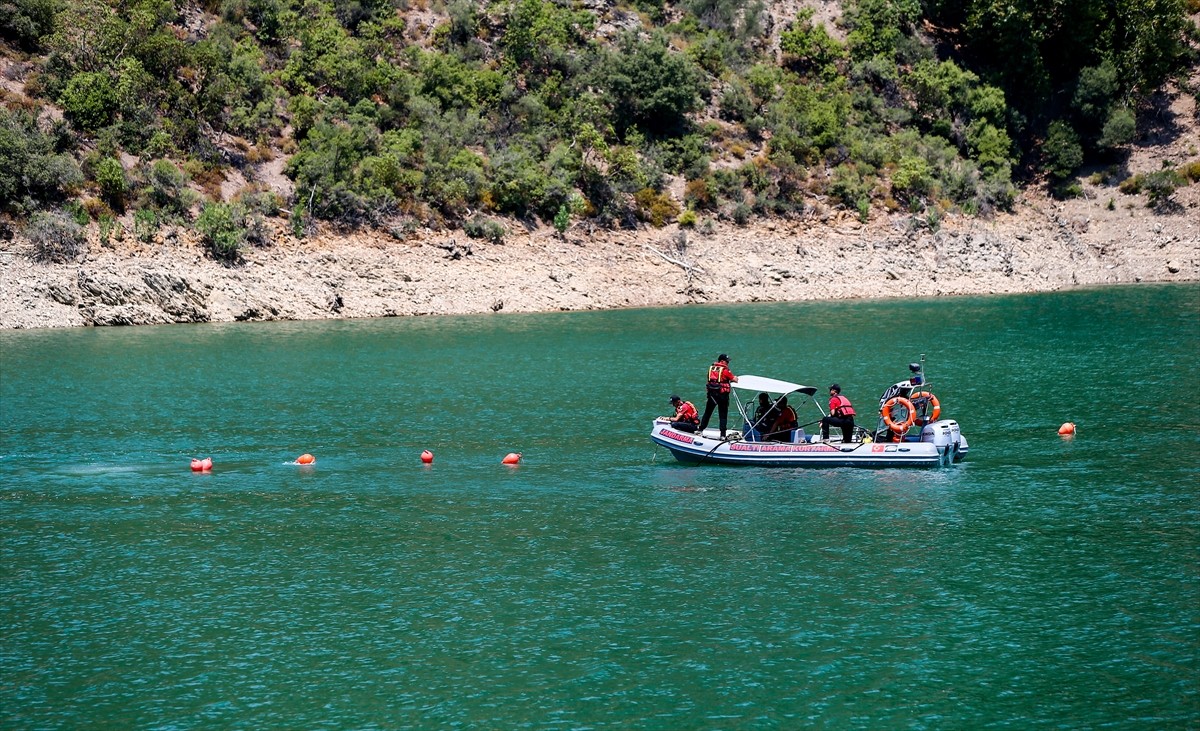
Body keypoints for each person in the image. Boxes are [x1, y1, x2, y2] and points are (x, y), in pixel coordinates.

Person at [698, 353, 738, 438]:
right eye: (727, 361)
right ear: (722, 361)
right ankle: (722, 435)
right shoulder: (725, 370)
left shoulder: (711, 369)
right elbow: (734, 379)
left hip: (712, 395)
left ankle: (700, 429)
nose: (728, 363)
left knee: (707, 413)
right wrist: (735, 377)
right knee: (723, 415)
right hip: (722, 396)